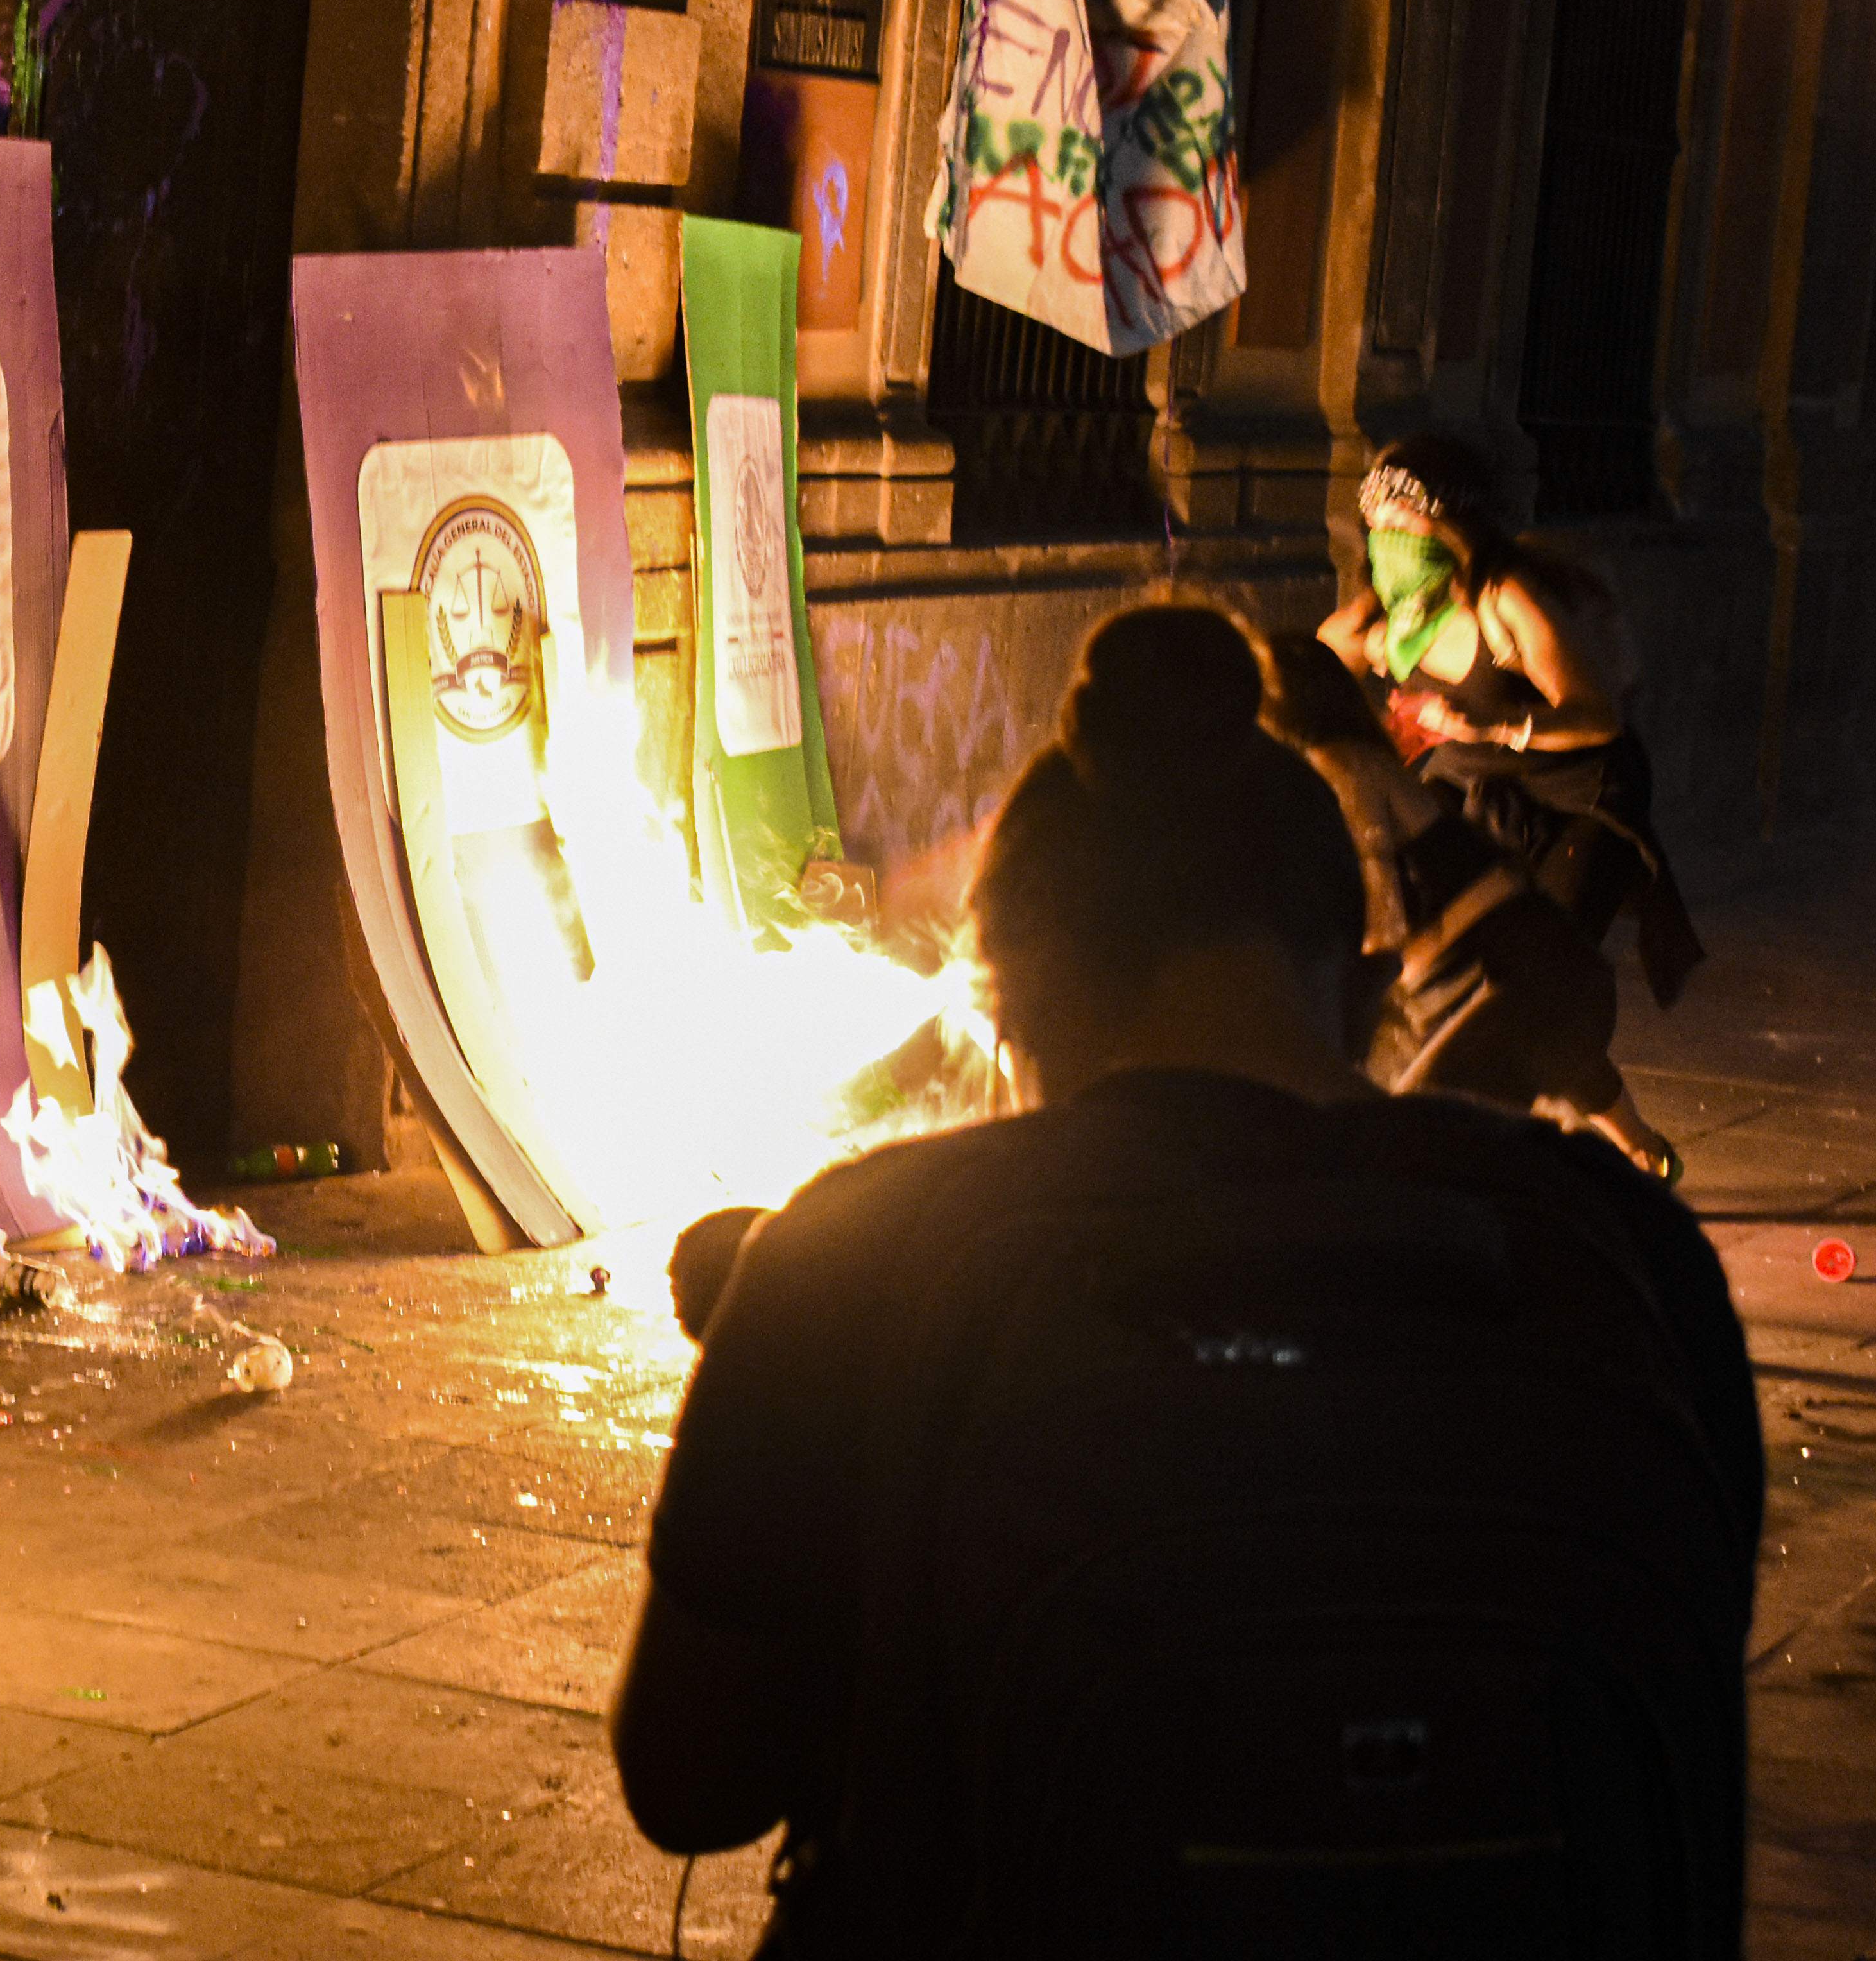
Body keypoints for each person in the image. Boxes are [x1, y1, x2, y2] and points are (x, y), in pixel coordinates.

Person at [612, 606, 1760, 1957]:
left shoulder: (863, 1253)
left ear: (1012, 1000)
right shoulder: (1621, 1248)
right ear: (1361, 970)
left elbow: (688, 1781)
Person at [1318, 433, 1697, 1174]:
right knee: (1422, 951)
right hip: (1473, 787)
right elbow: (1317, 677)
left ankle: (1574, 1148)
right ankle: (1460, 1125)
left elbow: (1596, 714)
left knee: (1538, 979)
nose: (1390, 537)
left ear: (1460, 521)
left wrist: (1489, 725)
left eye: (1408, 519)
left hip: (1581, 793)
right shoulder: (1382, 615)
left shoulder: (1504, 598)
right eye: (1379, 521)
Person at [1261, 629, 1650, 1154]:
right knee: (1441, 1128)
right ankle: (1637, 1161)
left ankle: (1602, 1185)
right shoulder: (1351, 759)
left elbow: (1381, 925)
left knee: (1421, 1138)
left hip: (1518, 983)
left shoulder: (1342, 767)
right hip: (1538, 973)